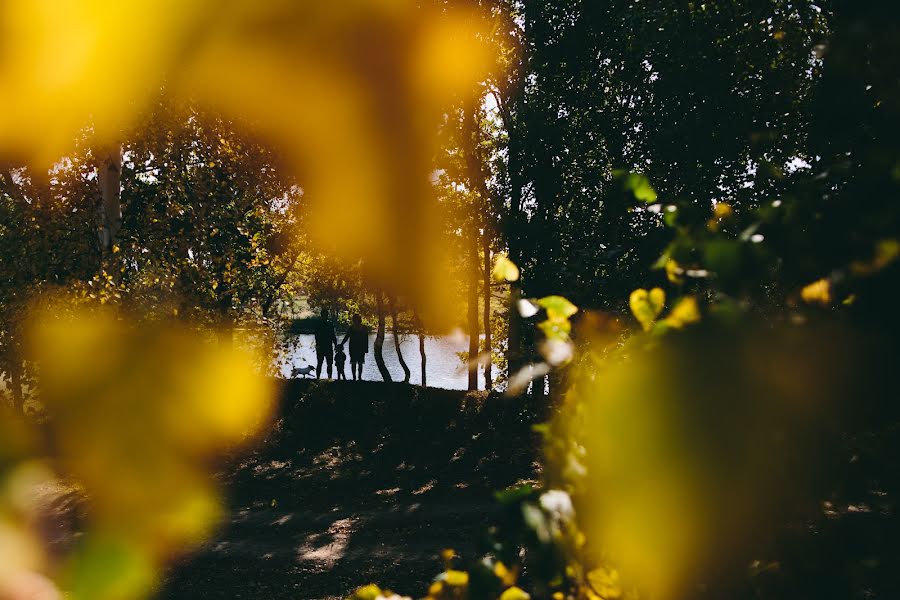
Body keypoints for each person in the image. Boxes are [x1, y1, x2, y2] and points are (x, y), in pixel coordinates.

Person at [341, 313, 369, 381]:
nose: (356, 321)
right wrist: (342, 344)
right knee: (353, 363)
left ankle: (359, 378)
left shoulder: (364, 328)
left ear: (359, 320)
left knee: (360, 363)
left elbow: (366, 339)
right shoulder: (351, 328)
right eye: (354, 319)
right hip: (353, 348)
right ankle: (354, 377)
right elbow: (347, 337)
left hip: (361, 348)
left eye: (357, 319)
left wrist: (366, 348)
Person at [313, 308, 338, 379]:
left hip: (327, 346)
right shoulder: (321, 324)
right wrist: (317, 345)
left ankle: (329, 378)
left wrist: (336, 345)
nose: (326, 316)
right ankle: (318, 378)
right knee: (320, 363)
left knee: (329, 364)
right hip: (322, 347)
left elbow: (333, 335)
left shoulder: (329, 324)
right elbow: (316, 335)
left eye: (326, 315)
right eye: (325, 315)